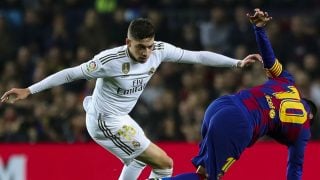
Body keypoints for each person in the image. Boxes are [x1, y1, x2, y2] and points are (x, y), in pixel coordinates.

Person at [0, 18, 260, 179]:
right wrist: (29, 90)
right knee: (165, 165)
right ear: (128, 42)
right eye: (140, 47)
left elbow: (198, 56)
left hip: (122, 117)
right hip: (104, 121)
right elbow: (70, 74)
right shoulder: (109, 61)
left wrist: (236, 63)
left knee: (137, 160)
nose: (147, 52)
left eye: (149, 45)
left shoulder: (158, 51)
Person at [158, 8, 318, 180]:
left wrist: (259, 28)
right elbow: (295, 169)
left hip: (221, 104)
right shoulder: (303, 129)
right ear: (309, 115)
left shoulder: (287, 82)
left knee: (203, 174)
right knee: (209, 178)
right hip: (239, 122)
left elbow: (269, 59)